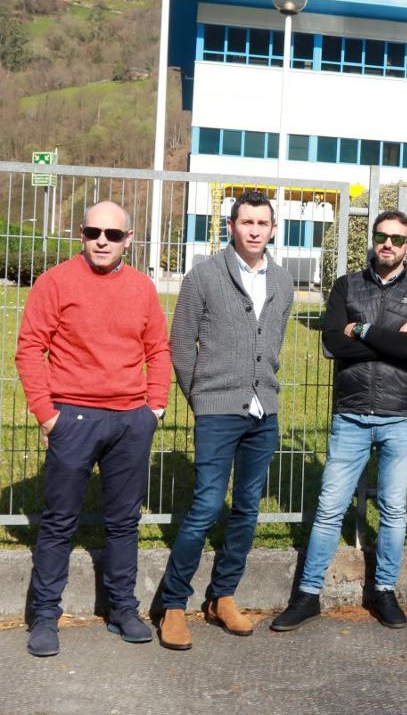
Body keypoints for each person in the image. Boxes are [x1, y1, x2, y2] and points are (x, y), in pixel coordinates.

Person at [16, 201, 171, 658]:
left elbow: (158, 350)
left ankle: (123, 609)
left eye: (113, 234)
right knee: (59, 522)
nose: (102, 240)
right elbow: (29, 349)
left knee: (124, 521)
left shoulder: (142, 289)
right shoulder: (56, 281)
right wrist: (48, 415)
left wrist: (154, 408)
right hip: (73, 419)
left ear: (129, 240)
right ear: (81, 234)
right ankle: (45, 616)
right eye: (93, 231)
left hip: (130, 420)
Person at [271, 210, 407, 632]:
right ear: (372, 240)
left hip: (400, 416)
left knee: (393, 510)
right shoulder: (347, 285)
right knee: (329, 509)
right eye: (382, 237)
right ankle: (307, 596)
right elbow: (330, 344)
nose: (388, 245)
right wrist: (391, 335)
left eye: (397, 239)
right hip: (351, 413)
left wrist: (359, 330)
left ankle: (384, 592)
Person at [156, 190, 294, 649]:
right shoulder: (204, 276)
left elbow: (270, 343)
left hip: (264, 413)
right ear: (232, 226)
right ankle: (173, 604)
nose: (254, 230)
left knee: (247, 510)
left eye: (262, 223)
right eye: (246, 222)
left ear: (273, 229)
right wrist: (201, 398)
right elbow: (180, 344)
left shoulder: (283, 280)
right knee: (205, 507)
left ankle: (223, 596)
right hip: (217, 410)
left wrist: (263, 392)